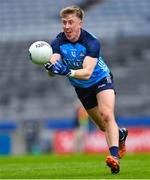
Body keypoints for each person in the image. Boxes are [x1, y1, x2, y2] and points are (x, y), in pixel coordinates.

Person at [44, 6, 128, 174]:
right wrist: (51, 68)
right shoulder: (58, 42)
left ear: (80, 23)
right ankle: (120, 135)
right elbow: (53, 67)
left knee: (107, 114)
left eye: (70, 22)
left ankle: (114, 158)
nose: (67, 26)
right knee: (103, 126)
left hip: (101, 80)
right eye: (64, 23)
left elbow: (87, 72)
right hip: (82, 88)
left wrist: (67, 71)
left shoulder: (91, 42)